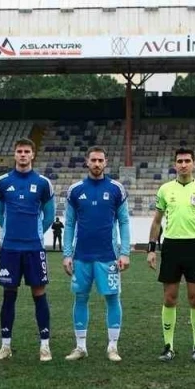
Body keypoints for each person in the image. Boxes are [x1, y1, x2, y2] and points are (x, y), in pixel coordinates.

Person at [147, 148, 195, 362]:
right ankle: (168, 346)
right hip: (171, 247)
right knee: (169, 298)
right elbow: (157, 221)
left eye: (187, 161)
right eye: (180, 161)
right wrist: (151, 249)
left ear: (194, 163)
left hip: (194, 247)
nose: (183, 164)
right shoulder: (165, 189)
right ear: (175, 164)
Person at [62, 147, 130, 362]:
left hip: (108, 256)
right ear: (87, 162)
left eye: (101, 160)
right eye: (93, 160)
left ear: (106, 162)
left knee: (112, 298)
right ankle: (80, 347)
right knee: (80, 297)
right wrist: (67, 254)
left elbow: (124, 222)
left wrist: (125, 252)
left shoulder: (116, 189)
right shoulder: (75, 190)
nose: (97, 163)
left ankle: (113, 346)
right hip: (81, 256)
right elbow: (70, 224)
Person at [0, 138, 56, 361]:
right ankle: (5, 346)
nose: (22, 155)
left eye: (27, 151)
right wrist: (11, 230)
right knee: (9, 295)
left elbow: (49, 216)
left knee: (39, 294)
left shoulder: (43, 183)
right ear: (14, 154)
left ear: (33, 155)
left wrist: (35, 233)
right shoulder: (2, 182)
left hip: (34, 248)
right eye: (19, 151)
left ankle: (45, 346)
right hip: (10, 248)